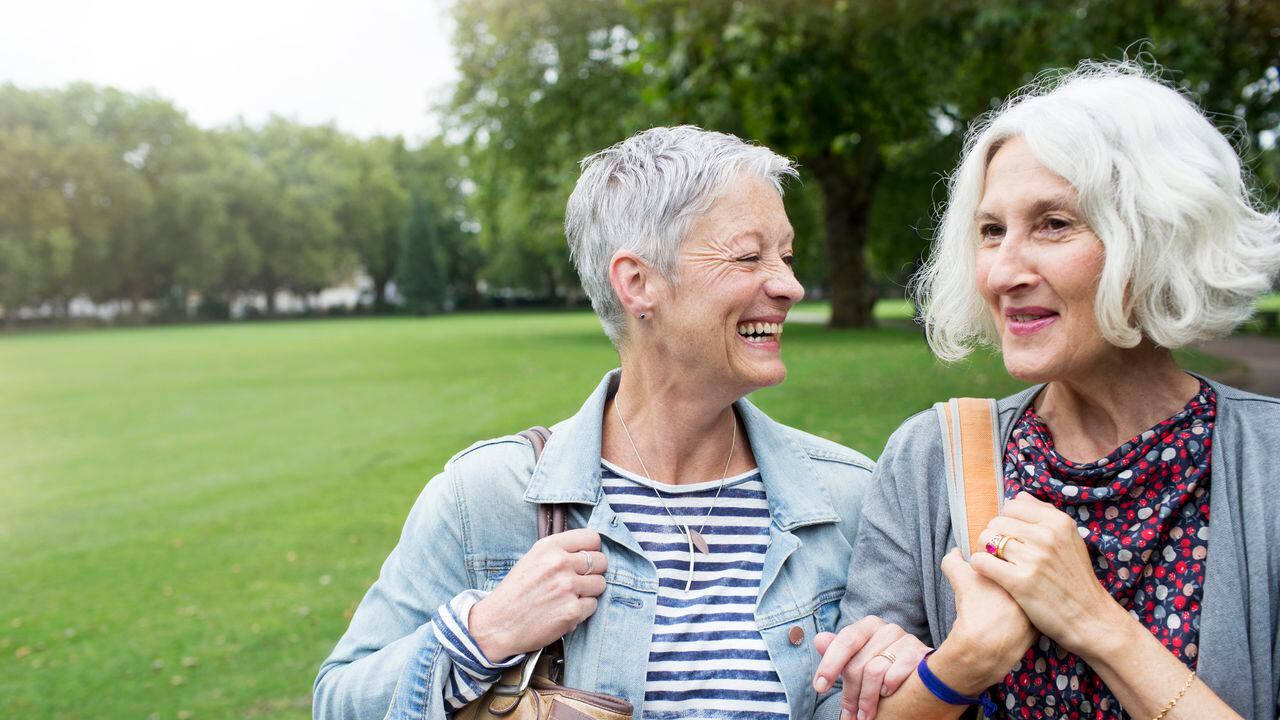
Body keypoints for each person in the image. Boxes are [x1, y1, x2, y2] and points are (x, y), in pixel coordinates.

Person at [314, 126, 920, 720]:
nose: (790, 284)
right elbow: (337, 703)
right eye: (748, 256)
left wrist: (919, 672)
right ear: (638, 284)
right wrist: (484, 632)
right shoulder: (485, 498)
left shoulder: (849, 496)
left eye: (786, 256)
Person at [817, 61, 1280, 719]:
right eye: (991, 231)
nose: (1005, 271)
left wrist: (1097, 623)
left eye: (1053, 224)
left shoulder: (1268, 465)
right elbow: (840, 708)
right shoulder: (929, 459)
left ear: (1157, 236)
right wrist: (960, 665)